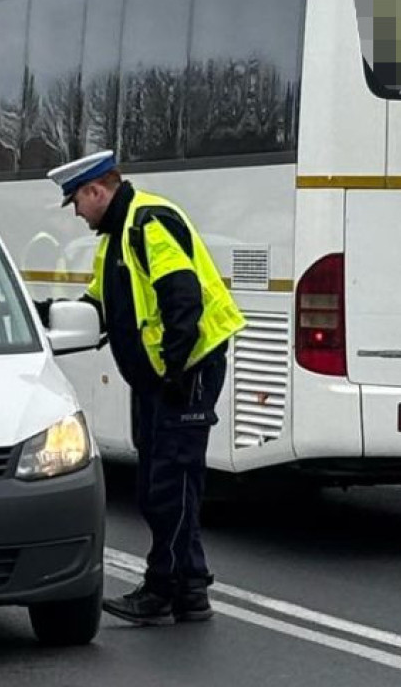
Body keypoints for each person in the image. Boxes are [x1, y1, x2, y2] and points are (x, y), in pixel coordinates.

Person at [34, 150, 246, 626]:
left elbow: (183, 298)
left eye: (76, 201)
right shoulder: (116, 236)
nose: (76, 212)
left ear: (96, 191)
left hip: (185, 374)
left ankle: (163, 588)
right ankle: (190, 590)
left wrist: (174, 372)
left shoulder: (148, 222)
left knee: (170, 484)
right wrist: (42, 314)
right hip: (163, 379)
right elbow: (97, 306)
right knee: (167, 481)